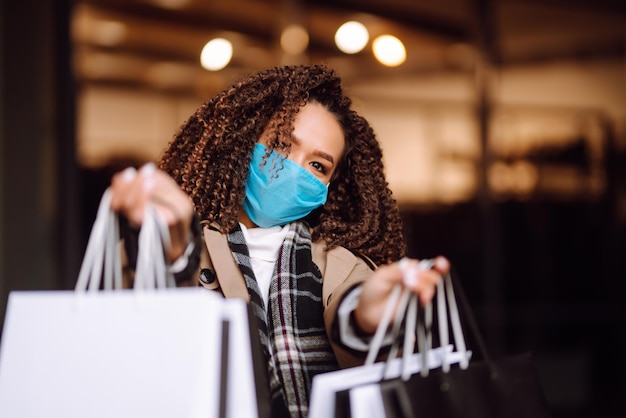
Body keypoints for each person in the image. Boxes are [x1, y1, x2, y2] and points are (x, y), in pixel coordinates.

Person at [108, 64, 449, 418]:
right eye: (282, 144)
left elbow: (354, 312)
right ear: (242, 140)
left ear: (329, 188)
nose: (294, 168)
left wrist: (364, 320)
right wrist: (170, 255)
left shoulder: (341, 265)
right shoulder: (180, 244)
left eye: (318, 166)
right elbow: (132, 332)